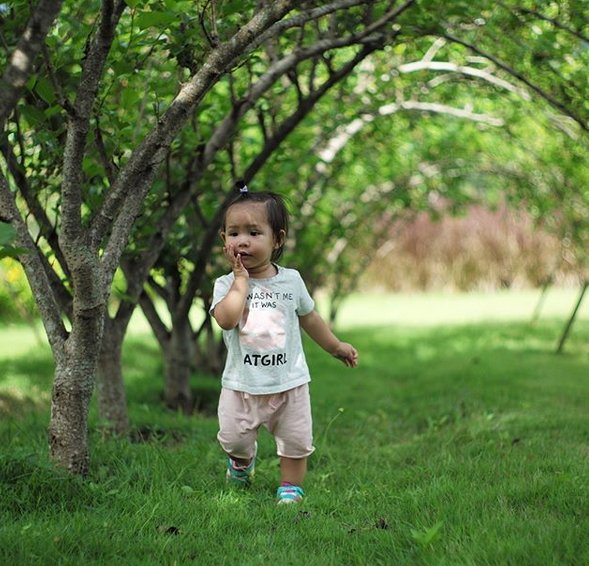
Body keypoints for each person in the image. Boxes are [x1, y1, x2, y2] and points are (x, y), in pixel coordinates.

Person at [210, 182, 358, 504]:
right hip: (242, 385)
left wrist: (335, 346)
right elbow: (226, 320)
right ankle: (241, 461)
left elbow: (310, 318)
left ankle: (290, 487)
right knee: (234, 438)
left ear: (277, 239)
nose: (243, 241)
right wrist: (240, 283)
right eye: (234, 234)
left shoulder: (290, 280)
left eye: (254, 232)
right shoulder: (225, 284)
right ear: (224, 241)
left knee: (295, 440)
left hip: (289, 383)